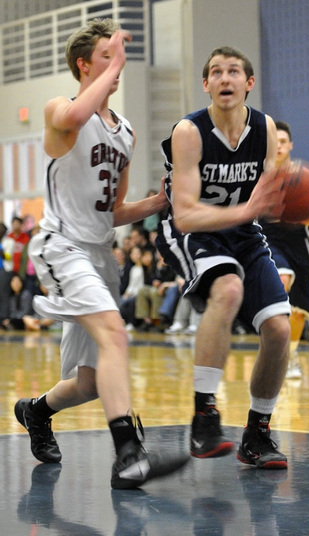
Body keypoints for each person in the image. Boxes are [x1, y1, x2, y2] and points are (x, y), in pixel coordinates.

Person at [14, 18, 188, 490]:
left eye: (118, 59)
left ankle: (35, 411)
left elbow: (110, 212)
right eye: (106, 58)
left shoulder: (126, 133)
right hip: (61, 245)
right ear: (83, 66)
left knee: (90, 383)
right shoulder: (61, 108)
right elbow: (71, 119)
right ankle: (128, 455)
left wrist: (156, 204)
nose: (117, 67)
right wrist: (111, 67)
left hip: (98, 255)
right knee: (115, 332)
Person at [156, 46, 291, 469]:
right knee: (229, 288)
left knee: (279, 329)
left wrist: (291, 196)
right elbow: (185, 212)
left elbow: (269, 193)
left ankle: (257, 434)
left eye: (234, 71)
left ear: (249, 83)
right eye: (216, 72)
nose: (225, 78)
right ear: (206, 84)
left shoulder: (264, 127)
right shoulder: (189, 131)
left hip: (242, 232)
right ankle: (204, 414)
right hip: (192, 230)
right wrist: (248, 211)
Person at [259, 122, 309, 378]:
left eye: (283, 141)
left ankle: (290, 356)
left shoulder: (305, 177)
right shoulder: (258, 175)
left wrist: (296, 211)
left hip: (299, 242)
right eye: (275, 141)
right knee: (282, 278)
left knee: (299, 310)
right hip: (269, 238)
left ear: (290, 146)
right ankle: (271, 345)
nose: (279, 146)